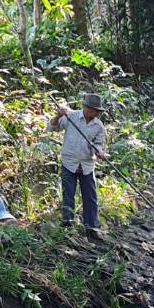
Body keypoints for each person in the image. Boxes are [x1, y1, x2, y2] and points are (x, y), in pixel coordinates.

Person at [50, 92, 107, 240]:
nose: (95, 114)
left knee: (90, 196)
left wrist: (99, 152)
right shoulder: (71, 117)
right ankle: (67, 223)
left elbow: (98, 144)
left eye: (97, 112)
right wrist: (58, 116)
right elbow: (52, 127)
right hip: (69, 162)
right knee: (68, 193)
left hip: (87, 164)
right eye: (93, 111)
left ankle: (92, 227)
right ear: (85, 108)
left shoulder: (98, 126)